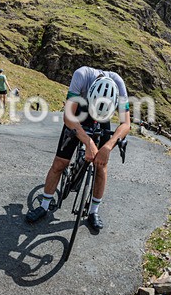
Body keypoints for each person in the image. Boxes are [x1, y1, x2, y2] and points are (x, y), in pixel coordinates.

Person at [25, 66, 131, 231]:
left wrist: (107, 147)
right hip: (79, 113)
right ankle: (44, 205)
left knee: (101, 166)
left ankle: (93, 211)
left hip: (103, 117)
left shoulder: (118, 83)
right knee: (60, 163)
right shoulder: (81, 76)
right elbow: (68, 117)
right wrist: (89, 143)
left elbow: (126, 124)